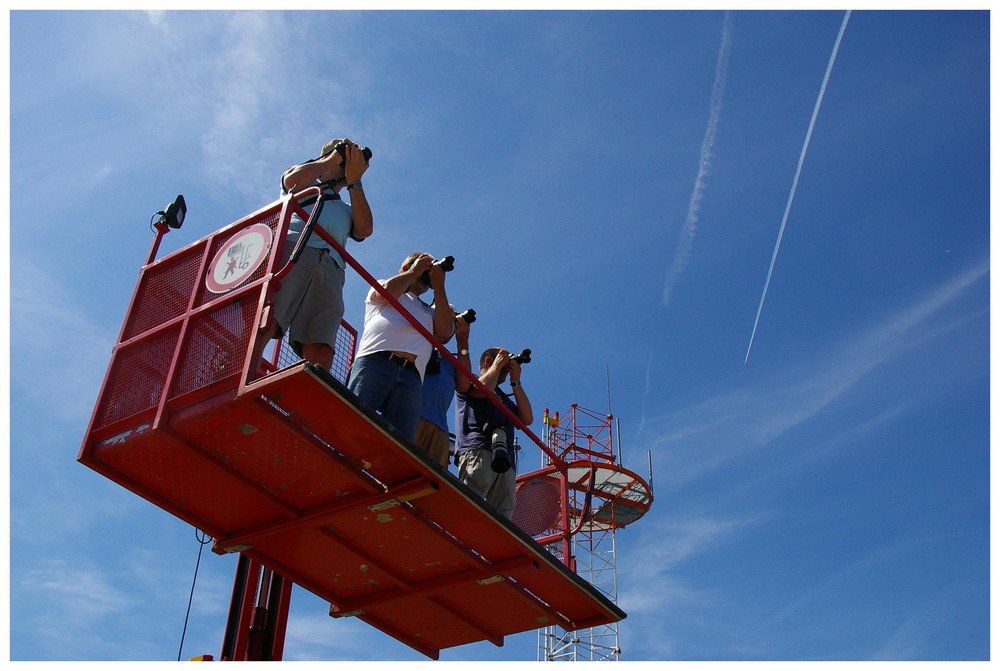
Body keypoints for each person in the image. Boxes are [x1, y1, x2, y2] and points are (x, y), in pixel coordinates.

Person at [262, 137, 373, 372]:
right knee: (267, 320)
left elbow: (364, 229)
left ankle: (308, 398)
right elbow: (291, 181)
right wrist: (334, 158)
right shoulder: (307, 181)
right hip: (295, 249)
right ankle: (241, 368)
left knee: (320, 342)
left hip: (331, 267)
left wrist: (355, 181)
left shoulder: (346, 208)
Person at [347, 252, 455, 440]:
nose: (425, 274)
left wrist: (439, 287)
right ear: (406, 267)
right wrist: (414, 272)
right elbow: (384, 293)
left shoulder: (430, 312)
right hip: (375, 362)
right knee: (353, 421)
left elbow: (444, 333)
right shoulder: (384, 284)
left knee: (400, 441)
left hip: (412, 377)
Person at [454, 348, 533, 519]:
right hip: (478, 449)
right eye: (505, 364)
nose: (505, 369)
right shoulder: (470, 380)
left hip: (504, 458)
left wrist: (516, 381)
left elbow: (527, 418)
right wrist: (497, 366)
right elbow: (482, 390)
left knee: (503, 514)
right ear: (488, 361)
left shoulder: (504, 398)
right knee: (469, 504)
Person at [413, 309, 473, 467]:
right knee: (399, 464)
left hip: (439, 426)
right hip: (411, 413)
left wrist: (463, 342)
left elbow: (464, 384)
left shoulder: (449, 360)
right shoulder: (416, 339)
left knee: (433, 480)